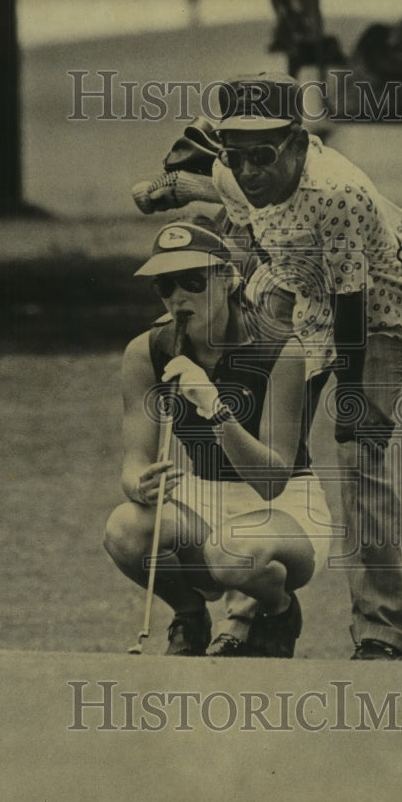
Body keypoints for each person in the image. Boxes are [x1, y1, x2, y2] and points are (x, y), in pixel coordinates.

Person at [206, 72, 402, 661]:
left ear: (299, 143)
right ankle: (250, 611)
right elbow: (225, 201)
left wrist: (349, 399)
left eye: (263, 156)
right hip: (304, 298)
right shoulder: (234, 174)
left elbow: (350, 302)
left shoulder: (336, 192)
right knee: (267, 449)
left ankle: (380, 630)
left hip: (370, 313)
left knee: (360, 457)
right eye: (237, 155)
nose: (247, 172)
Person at [102, 217, 333, 658]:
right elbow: (133, 464)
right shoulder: (147, 351)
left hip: (281, 508)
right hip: (202, 496)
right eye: (165, 287)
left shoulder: (279, 348)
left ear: (228, 279)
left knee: (230, 550)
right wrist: (141, 485)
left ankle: (278, 608)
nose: (178, 297)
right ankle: (190, 616)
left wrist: (213, 406)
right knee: (123, 528)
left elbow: (272, 479)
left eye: (193, 280)